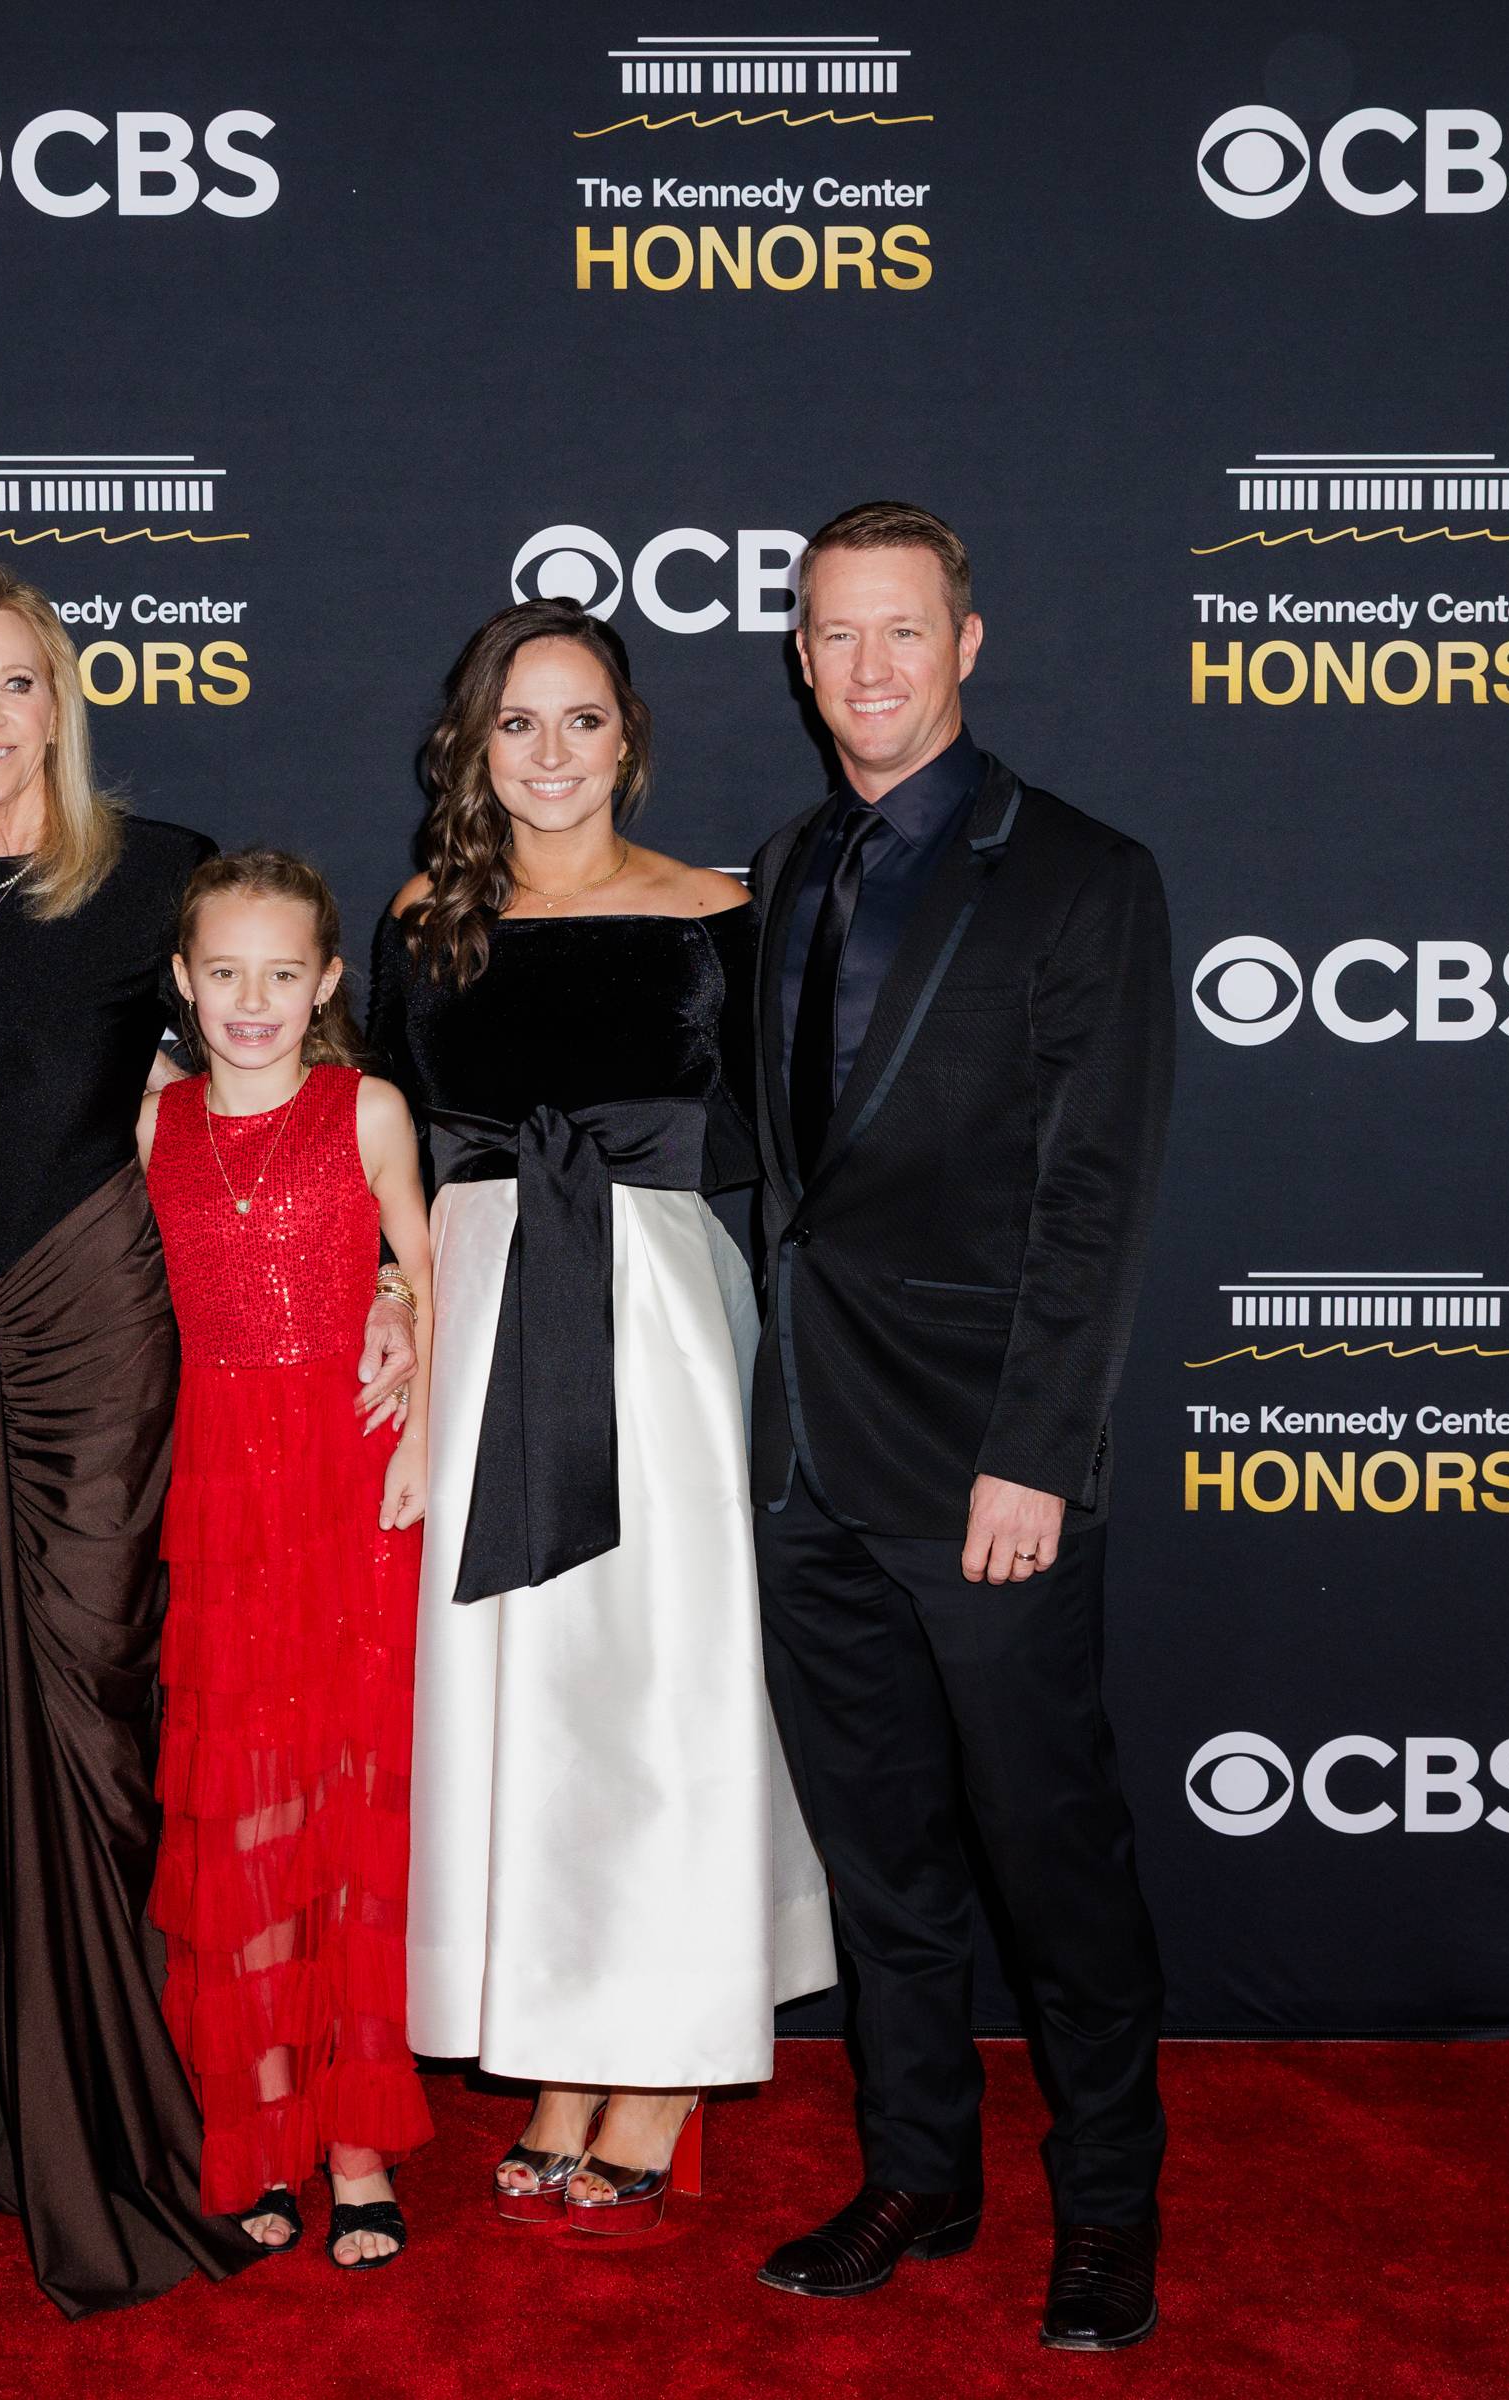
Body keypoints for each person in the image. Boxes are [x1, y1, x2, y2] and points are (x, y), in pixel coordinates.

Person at [0, 558, 419, 2315]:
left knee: (100, 1705)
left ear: (63, 702)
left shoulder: (161, 870)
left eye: (21, 684)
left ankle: (155, 2107)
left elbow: (299, 1106)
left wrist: (405, 1285)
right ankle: (38, 2108)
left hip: (101, 1337)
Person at [744, 502, 1174, 2352]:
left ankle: (1107, 2215)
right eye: (835, 635)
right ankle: (921, 2173)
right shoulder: (784, 867)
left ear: (970, 644)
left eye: (902, 632)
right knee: (883, 1865)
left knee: (1052, 1859)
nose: (869, 670)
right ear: (799, 656)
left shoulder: (1082, 875)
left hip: (987, 1468)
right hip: (810, 1456)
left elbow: (1095, 1198)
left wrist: (1042, 1454)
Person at [369, 600, 834, 2242]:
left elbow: (800, 1145)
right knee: (526, 1698)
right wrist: (393, 1303)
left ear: (627, 737)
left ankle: (663, 2059)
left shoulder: (725, 911)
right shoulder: (429, 916)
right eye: (517, 724)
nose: (550, 754)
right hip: (488, 1315)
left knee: (659, 1691)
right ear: (472, 748)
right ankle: (559, 2049)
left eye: (580, 721)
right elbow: (396, 1151)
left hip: (657, 1316)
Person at [138, 849, 438, 2272]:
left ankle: (358, 2147)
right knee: (244, 1816)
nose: (251, 1003)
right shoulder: (152, 1126)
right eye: (224, 975)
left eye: (282, 976)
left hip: (348, 1483)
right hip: (215, 1494)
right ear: (184, 981)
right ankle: (257, 2132)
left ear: (326, 985)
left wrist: (420, 1417)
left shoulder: (367, 1107)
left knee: (346, 1810)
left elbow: (429, 1276)